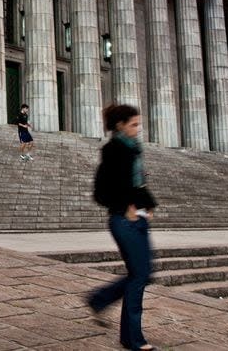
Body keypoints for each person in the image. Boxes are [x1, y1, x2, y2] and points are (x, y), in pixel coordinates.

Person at [88, 104, 157, 351]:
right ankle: (133, 339)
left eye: (139, 124)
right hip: (122, 220)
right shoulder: (113, 151)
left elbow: (137, 185)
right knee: (139, 276)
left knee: (144, 273)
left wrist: (148, 206)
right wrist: (124, 206)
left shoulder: (134, 150)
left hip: (138, 219)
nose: (138, 129)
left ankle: (99, 299)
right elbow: (101, 191)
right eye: (134, 124)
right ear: (120, 125)